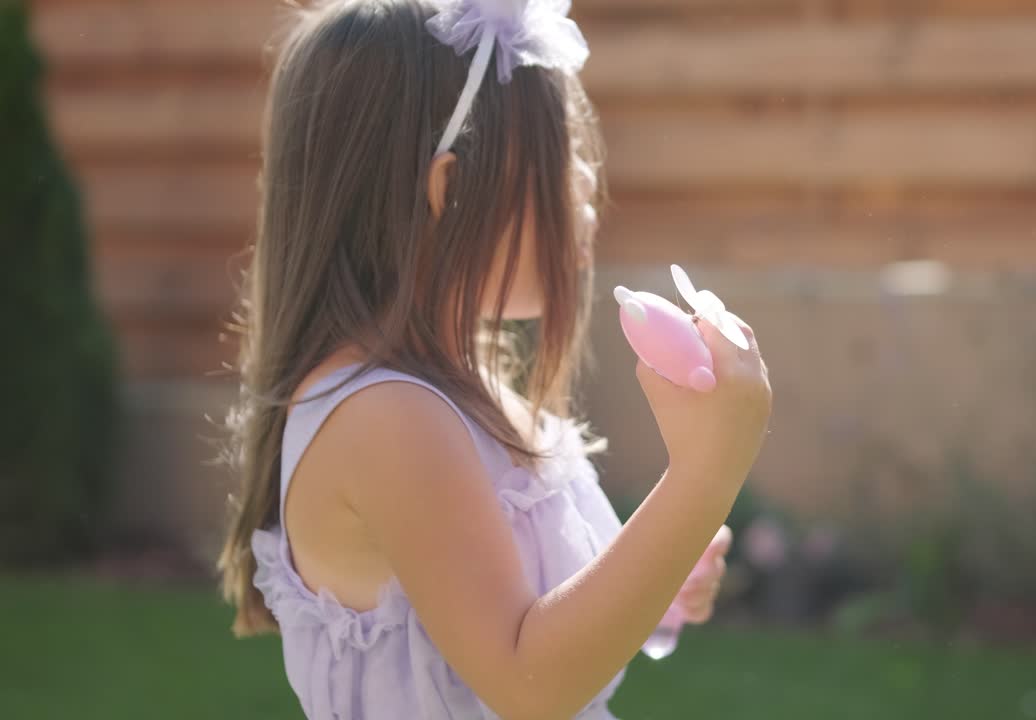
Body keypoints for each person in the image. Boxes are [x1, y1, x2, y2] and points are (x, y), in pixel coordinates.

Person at [216, 1, 772, 718]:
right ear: (449, 191)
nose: (589, 194)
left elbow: (527, 610)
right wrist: (704, 475)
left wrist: (659, 569)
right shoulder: (387, 418)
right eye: (561, 161)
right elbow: (526, 680)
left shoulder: (453, 394)